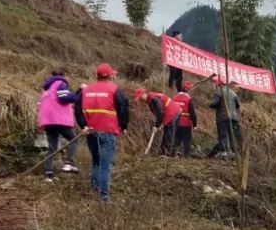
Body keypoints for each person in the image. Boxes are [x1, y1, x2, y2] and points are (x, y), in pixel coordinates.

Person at [71, 63, 129, 202]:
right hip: (108, 132)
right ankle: (103, 198)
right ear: (109, 76)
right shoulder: (115, 90)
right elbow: (123, 108)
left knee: (96, 162)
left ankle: (94, 190)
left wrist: (83, 125)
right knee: (105, 165)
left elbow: (77, 108)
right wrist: (123, 126)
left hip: (91, 131)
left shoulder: (86, 91)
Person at [38, 70, 79, 182]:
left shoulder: (46, 89)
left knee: (52, 148)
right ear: (63, 75)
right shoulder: (61, 83)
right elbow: (64, 98)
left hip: (48, 122)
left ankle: (48, 174)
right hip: (59, 120)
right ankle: (68, 163)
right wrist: (78, 93)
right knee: (73, 139)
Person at [135, 88, 182, 156]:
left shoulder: (154, 99)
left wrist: (157, 125)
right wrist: (159, 124)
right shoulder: (150, 100)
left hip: (173, 113)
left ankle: (167, 154)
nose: (140, 99)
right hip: (172, 112)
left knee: (169, 134)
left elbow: (160, 112)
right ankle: (165, 153)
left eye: (141, 97)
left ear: (144, 94)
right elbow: (158, 113)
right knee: (167, 134)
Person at [208, 78, 242, 159]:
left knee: (223, 135)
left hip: (222, 117)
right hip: (233, 117)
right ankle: (234, 153)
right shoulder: (233, 93)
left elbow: (214, 103)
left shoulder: (219, 91)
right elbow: (238, 105)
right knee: (232, 136)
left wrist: (210, 104)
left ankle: (223, 153)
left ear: (218, 84)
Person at [171, 81, 197, 157]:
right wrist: (195, 124)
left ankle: (172, 153)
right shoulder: (188, 99)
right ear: (188, 90)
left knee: (176, 139)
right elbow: (193, 113)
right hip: (186, 123)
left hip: (176, 122)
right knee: (187, 140)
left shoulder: (175, 97)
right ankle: (186, 155)